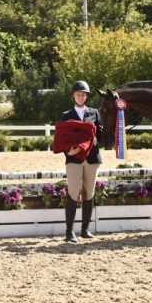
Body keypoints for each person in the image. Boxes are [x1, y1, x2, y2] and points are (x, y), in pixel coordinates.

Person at [61, 80, 103, 243]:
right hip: (74, 158)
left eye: (83, 94)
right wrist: (67, 151)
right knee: (73, 192)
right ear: (73, 95)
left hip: (92, 157)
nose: (80, 96)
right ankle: (69, 231)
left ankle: (85, 229)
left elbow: (100, 134)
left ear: (86, 96)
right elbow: (62, 137)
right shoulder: (66, 115)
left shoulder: (94, 113)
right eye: (78, 94)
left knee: (89, 193)